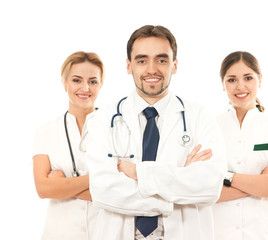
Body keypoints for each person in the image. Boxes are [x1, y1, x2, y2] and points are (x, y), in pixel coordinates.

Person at [85, 25, 226, 240]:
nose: (152, 69)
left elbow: (209, 186)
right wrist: (172, 193)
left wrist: (138, 174)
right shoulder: (103, 119)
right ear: (128, 66)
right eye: (142, 60)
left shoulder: (200, 117)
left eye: (161, 60)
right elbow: (103, 191)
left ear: (175, 65)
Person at [212, 51, 268, 240]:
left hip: (262, 232)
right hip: (218, 232)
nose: (240, 86)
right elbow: (205, 190)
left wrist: (226, 177)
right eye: (232, 80)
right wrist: (261, 181)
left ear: (260, 79)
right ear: (223, 84)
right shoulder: (209, 127)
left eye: (248, 78)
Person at [33, 51, 104, 240]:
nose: (85, 87)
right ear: (65, 83)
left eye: (93, 81)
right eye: (77, 80)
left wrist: (62, 186)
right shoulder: (46, 131)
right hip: (60, 234)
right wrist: (102, 178)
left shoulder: (116, 128)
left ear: (101, 84)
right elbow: (44, 189)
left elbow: (122, 191)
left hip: (105, 232)